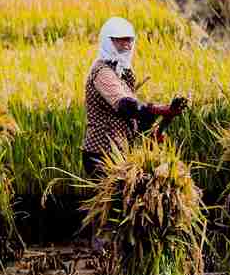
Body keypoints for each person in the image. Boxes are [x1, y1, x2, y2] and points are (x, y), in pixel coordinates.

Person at [81, 16, 188, 181]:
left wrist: (163, 121)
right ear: (108, 42)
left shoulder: (124, 73)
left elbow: (135, 117)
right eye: (120, 40)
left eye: (129, 40)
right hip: (100, 154)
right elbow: (126, 106)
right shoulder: (102, 72)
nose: (127, 45)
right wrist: (160, 109)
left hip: (120, 152)